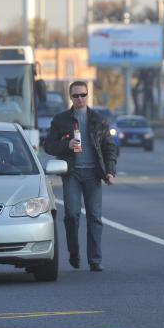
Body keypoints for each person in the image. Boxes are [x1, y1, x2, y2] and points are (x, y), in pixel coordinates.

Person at [44, 81, 117, 272]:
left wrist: (110, 171)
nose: (80, 99)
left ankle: (95, 260)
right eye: (76, 95)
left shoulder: (98, 119)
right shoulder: (61, 120)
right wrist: (66, 146)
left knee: (94, 217)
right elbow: (48, 145)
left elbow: (109, 147)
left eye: (83, 95)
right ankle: (74, 253)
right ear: (70, 97)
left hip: (93, 174)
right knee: (72, 215)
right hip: (72, 173)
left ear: (87, 95)